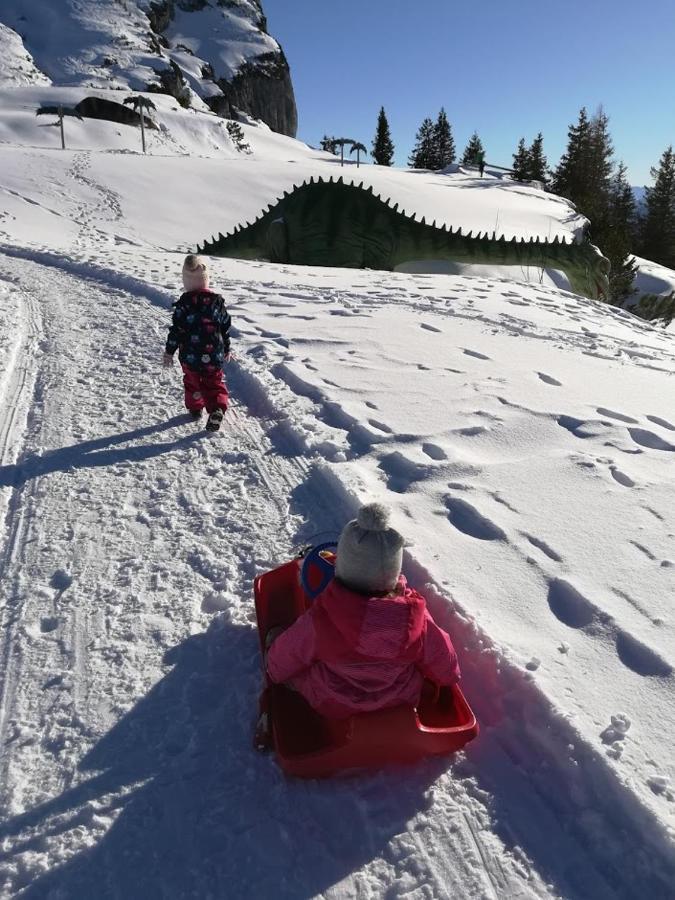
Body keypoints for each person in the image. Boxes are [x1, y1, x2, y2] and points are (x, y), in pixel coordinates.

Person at [266, 503, 460, 718]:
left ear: (342, 568)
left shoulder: (322, 619)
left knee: (296, 669)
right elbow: (444, 660)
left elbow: (287, 656)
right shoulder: (415, 619)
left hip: (334, 702)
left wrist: (274, 670)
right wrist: (445, 681)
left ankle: (273, 711)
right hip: (399, 700)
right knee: (417, 670)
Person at [163, 254, 231, 432]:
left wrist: (169, 351)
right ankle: (216, 408)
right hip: (214, 353)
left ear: (186, 282)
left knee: (193, 381)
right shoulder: (217, 302)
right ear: (206, 279)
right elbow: (224, 327)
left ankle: (195, 407)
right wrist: (227, 347)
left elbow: (176, 330)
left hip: (190, 356)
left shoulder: (184, 304)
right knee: (214, 381)